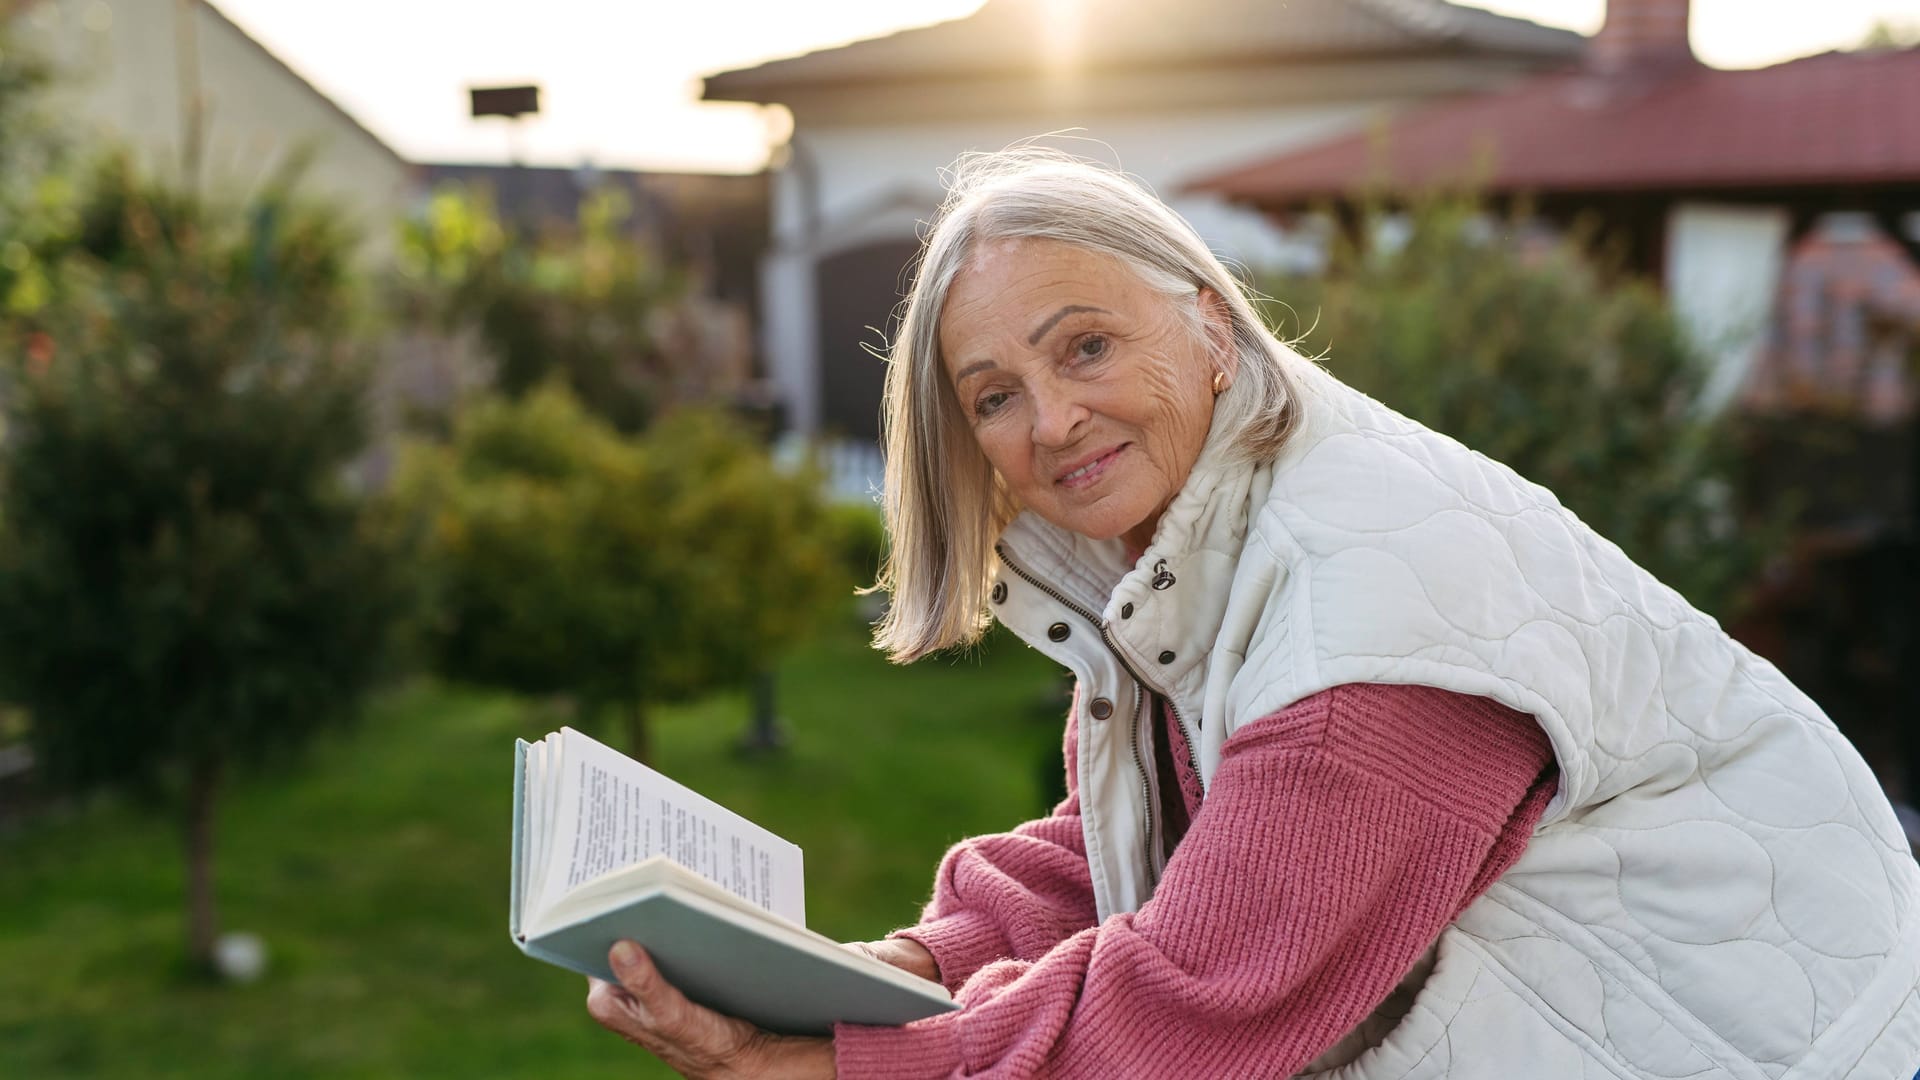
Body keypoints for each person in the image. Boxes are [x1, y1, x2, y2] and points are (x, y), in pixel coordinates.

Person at [585, 150, 1920, 1078]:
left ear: (1215, 329)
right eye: (993, 393)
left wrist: (864, 1064)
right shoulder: (1200, 540)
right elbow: (1145, 834)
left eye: (1086, 345)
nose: (1048, 420)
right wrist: (905, 974)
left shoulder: (1366, 608)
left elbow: (1197, 1002)